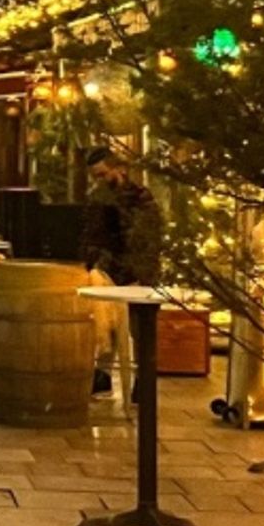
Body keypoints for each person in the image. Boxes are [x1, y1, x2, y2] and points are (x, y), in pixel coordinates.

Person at [81, 146, 163, 395]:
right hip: (109, 269)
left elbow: (146, 239)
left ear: (121, 170)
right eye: (95, 176)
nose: (100, 181)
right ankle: (103, 373)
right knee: (108, 325)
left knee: (141, 329)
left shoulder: (140, 198)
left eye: (103, 174)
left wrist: (141, 274)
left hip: (138, 271)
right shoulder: (97, 198)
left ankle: (143, 381)